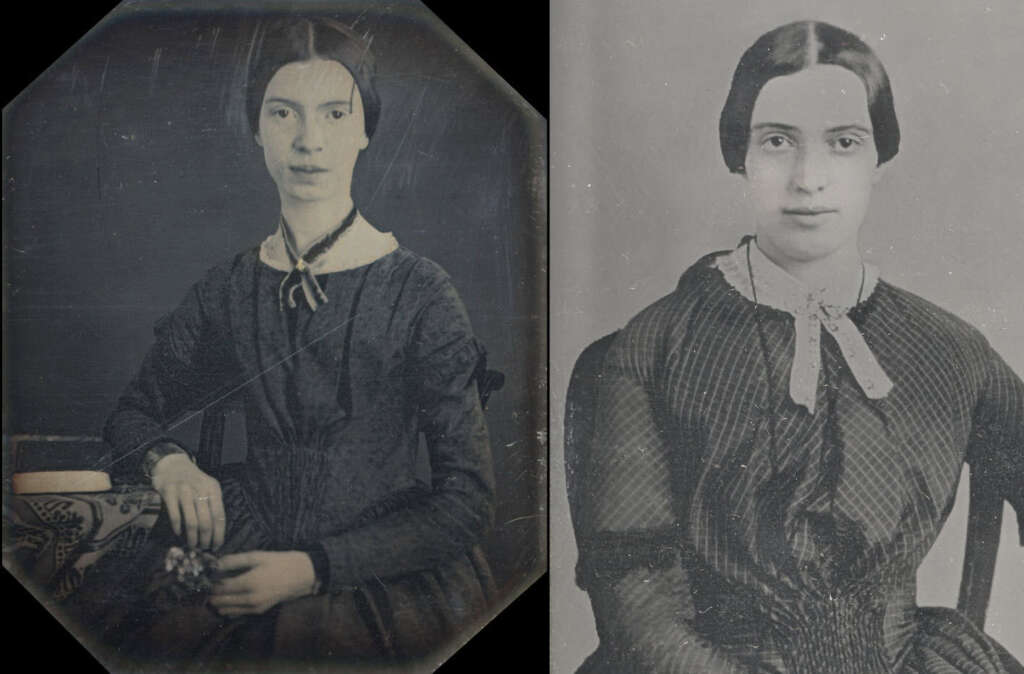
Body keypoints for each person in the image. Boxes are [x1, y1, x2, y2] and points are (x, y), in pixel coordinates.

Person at [570, 20, 1023, 673]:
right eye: (778, 141)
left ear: (879, 159)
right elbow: (639, 608)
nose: (809, 178)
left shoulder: (948, 349)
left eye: (843, 143)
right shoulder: (655, 349)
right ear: (740, 156)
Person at [89, 16, 496, 670]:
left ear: (366, 130)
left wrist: (311, 571)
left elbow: (467, 504)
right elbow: (131, 415)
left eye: (335, 114)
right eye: (284, 114)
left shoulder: (421, 292)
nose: (309, 141)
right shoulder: (227, 289)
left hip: (379, 584)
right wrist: (171, 463)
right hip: (238, 558)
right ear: (256, 129)